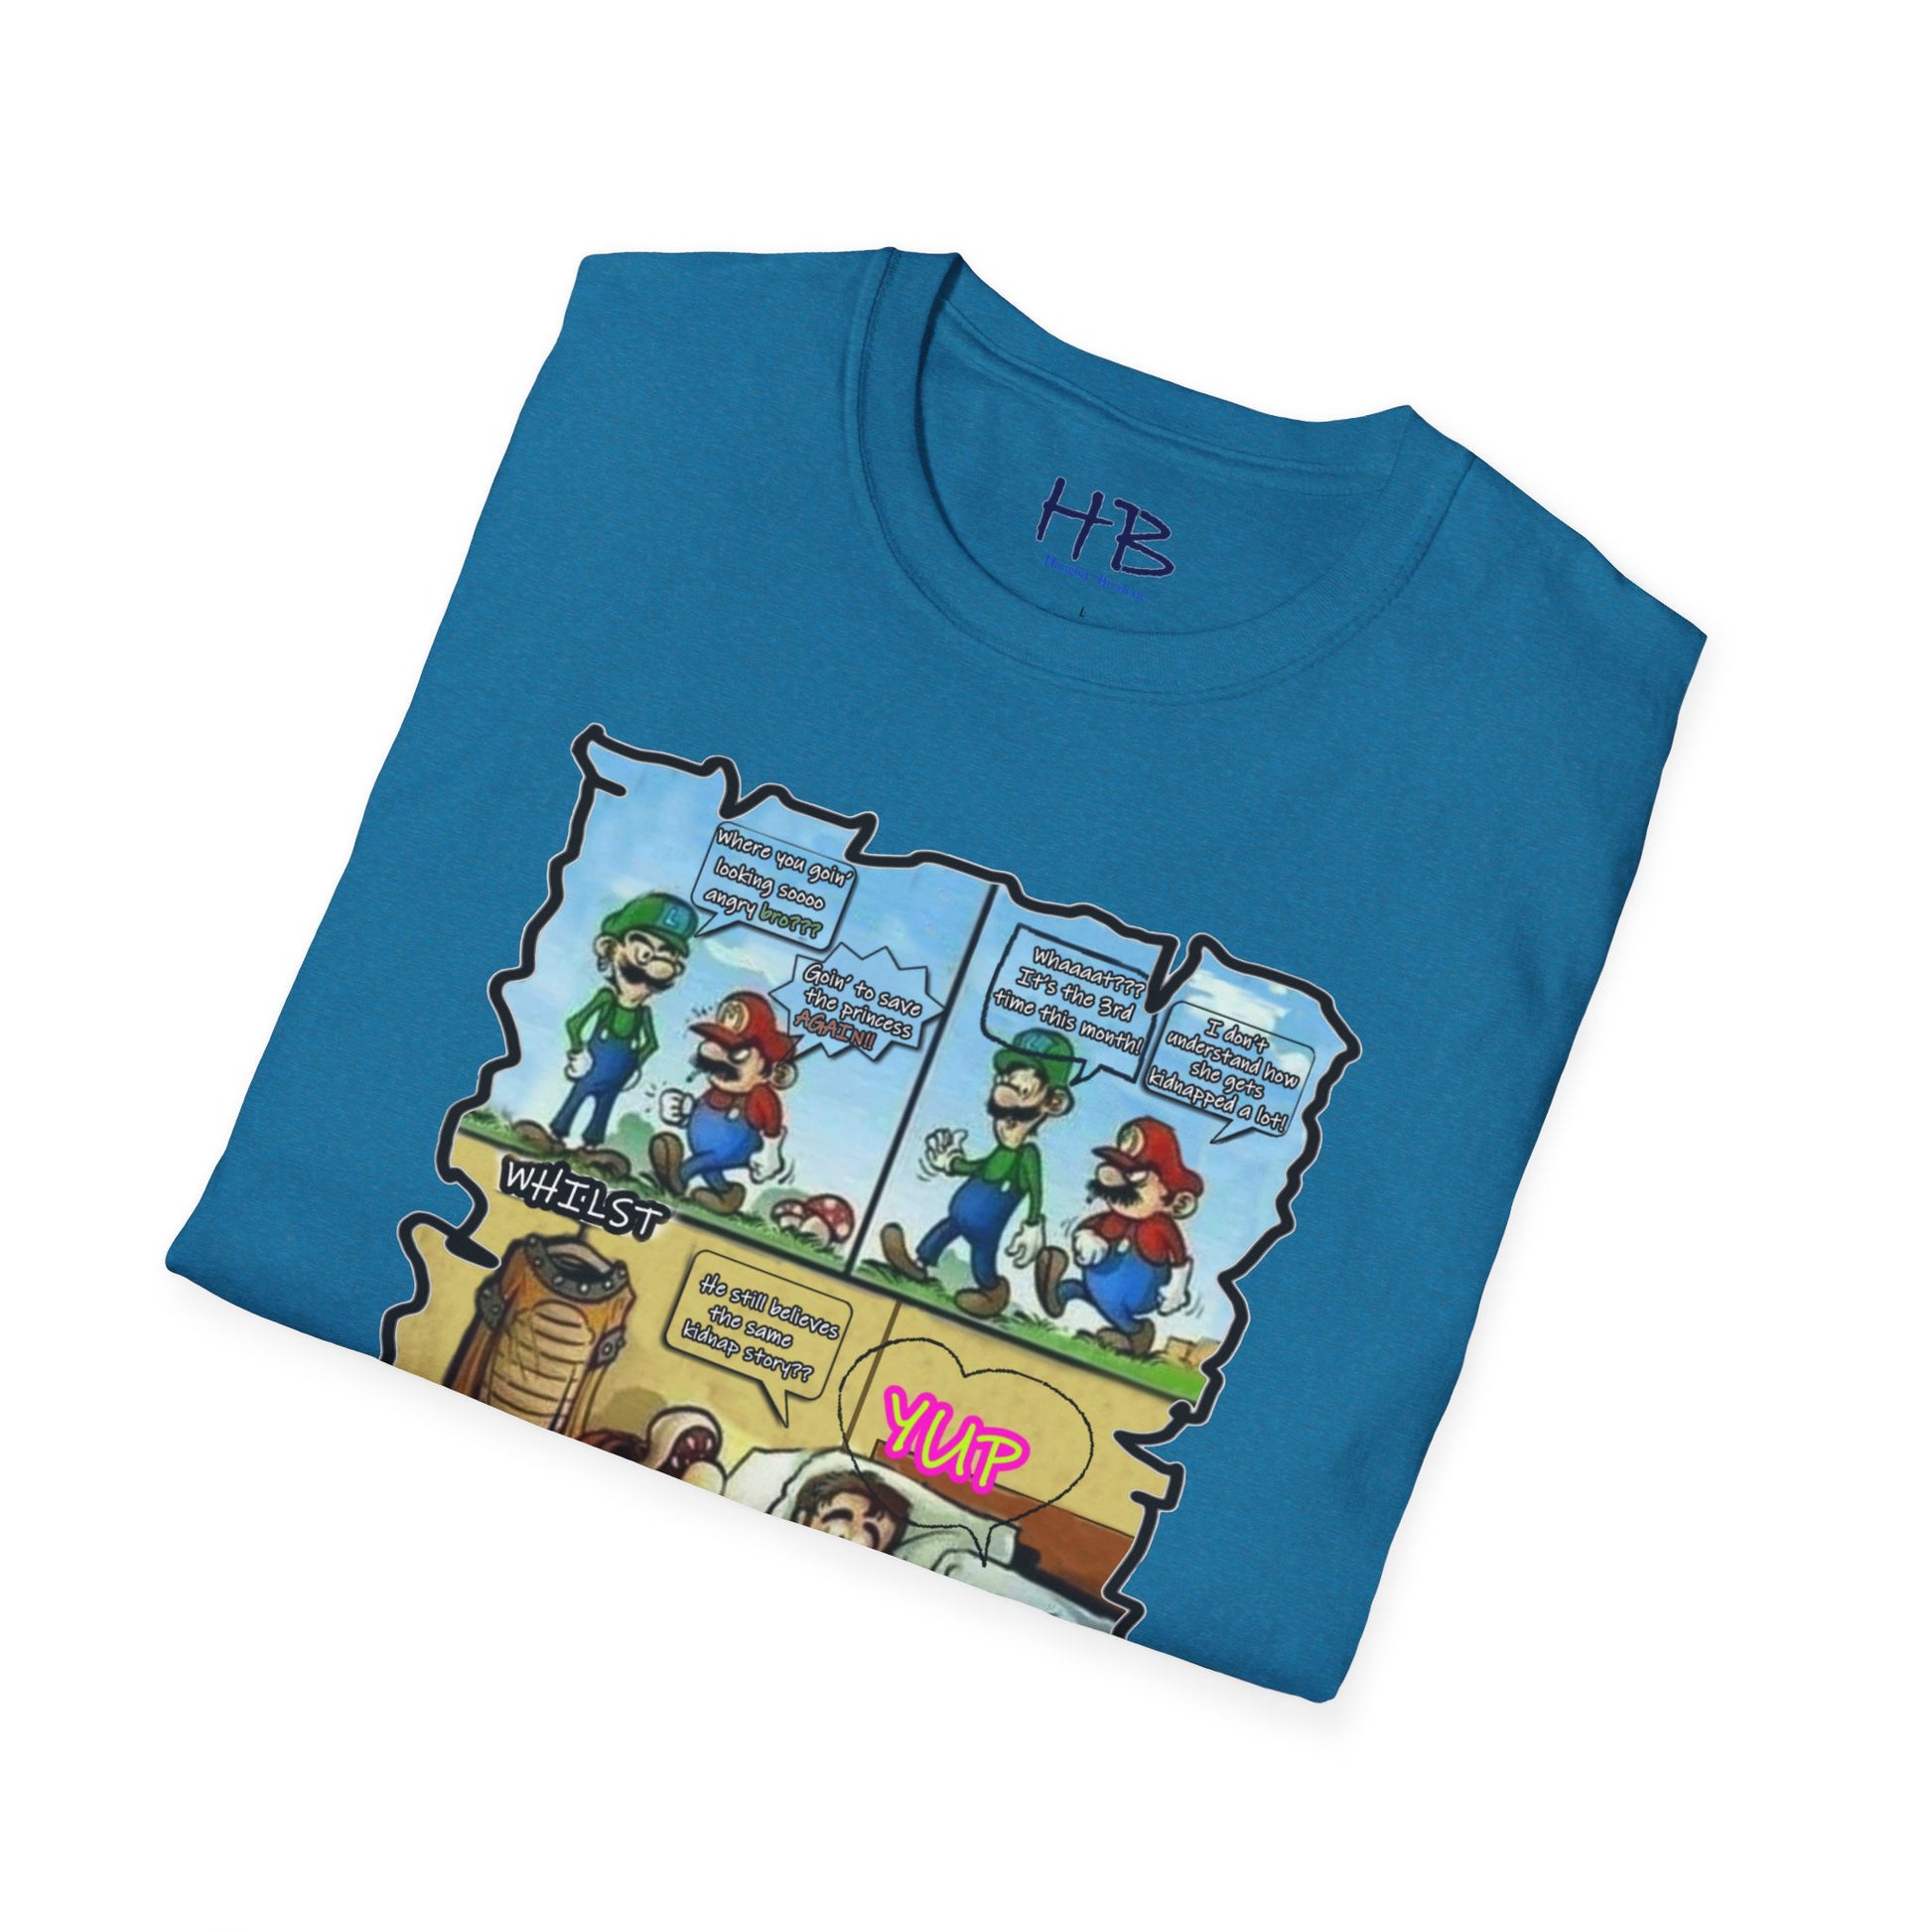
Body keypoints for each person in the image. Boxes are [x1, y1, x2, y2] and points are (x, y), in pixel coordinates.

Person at [878, 1027, 1076, 1318]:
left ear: (1053, 1103)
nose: (1005, 1103)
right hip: (958, 1217)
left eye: (1023, 1092)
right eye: (1004, 1086)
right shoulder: (1002, 1151)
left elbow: (1036, 1190)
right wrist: (951, 1163)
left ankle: (993, 1292)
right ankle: (918, 1265)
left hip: (986, 1230)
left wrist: (1033, 1224)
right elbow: (978, 1167)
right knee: (942, 1233)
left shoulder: (1027, 1155)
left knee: (982, 1263)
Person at [524, 892, 698, 1151]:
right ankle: (557, 1134)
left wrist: (635, 1066)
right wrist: (577, 1052)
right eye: (645, 954)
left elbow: (652, 1044)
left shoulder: (644, 1013)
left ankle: (590, 1146)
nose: (653, 971)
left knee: (605, 1105)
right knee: (578, 1094)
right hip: (595, 1060)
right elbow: (575, 1023)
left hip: (621, 1067)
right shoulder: (606, 998)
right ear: (609, 948)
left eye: (668, 959)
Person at [1035, 1116, 1204, 1356]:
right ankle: (1056, 1297)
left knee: (1111, 1301)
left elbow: (1179, 1257)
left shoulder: (1160, 1227)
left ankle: (1136, 1331)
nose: (1117, 1186)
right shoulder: (1112, 1219)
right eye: (1115, 1173)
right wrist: (1086, 1236)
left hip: (1138, 1291)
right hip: (1098, 1282)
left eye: (1135, 1179)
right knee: (1084, 1290)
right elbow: (1089, 1225)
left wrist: (1176, 1288)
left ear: (1172, 1200)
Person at [649, 990, 797, 1214]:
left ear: (765, 1069)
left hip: (735, 1149)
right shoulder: (715, 1091)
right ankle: (727, 1195)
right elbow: (703, 1111)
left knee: (702, 1163)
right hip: (707, 1148)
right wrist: (684, 1110)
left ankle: (678, 1179)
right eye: (716, 1044)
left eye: (737, 1053)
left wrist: (770, 1154)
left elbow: (772, 1123)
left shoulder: (758, 1095)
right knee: (711, 1169)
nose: (718, 1059)